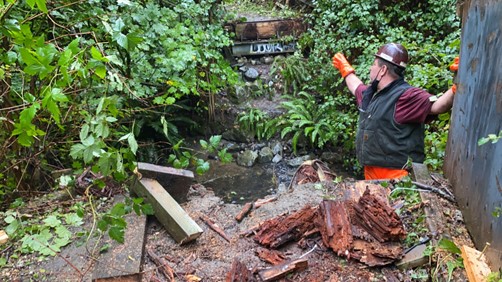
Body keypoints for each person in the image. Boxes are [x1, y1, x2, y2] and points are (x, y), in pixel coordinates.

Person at [332, 43, 458, 180]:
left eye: (374, 64)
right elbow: (356, 87)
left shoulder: (406, 96)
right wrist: (346, 70)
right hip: (371, 174)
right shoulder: (372, 95)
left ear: (383, 69)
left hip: (398, 177)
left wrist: (458, 83)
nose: (370, 68)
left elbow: (438, 105)